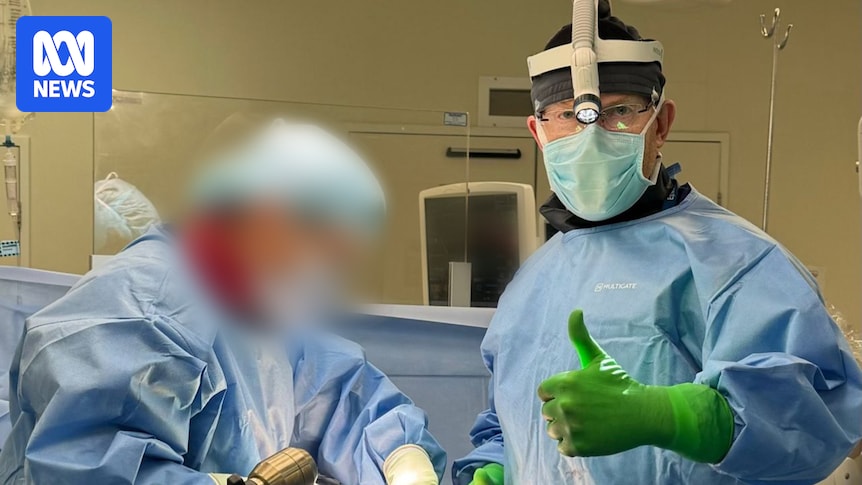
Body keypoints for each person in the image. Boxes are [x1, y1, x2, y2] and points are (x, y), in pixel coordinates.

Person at [454, 3, 862, 484]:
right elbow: (509, 420)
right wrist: (494, 467)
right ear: (539, 133)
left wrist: (668, 417)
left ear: (662, 124)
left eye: (619, 112)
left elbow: (814, 422)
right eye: (566, 116)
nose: (591, 136)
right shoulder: (531, 283)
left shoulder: (737, 264)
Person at [0, 119, 444, 485]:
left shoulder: (257, 305)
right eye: (326, 248)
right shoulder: (141, 313)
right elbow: (86, 468)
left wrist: (399, 454)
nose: (325, 272)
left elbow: (341, 396)